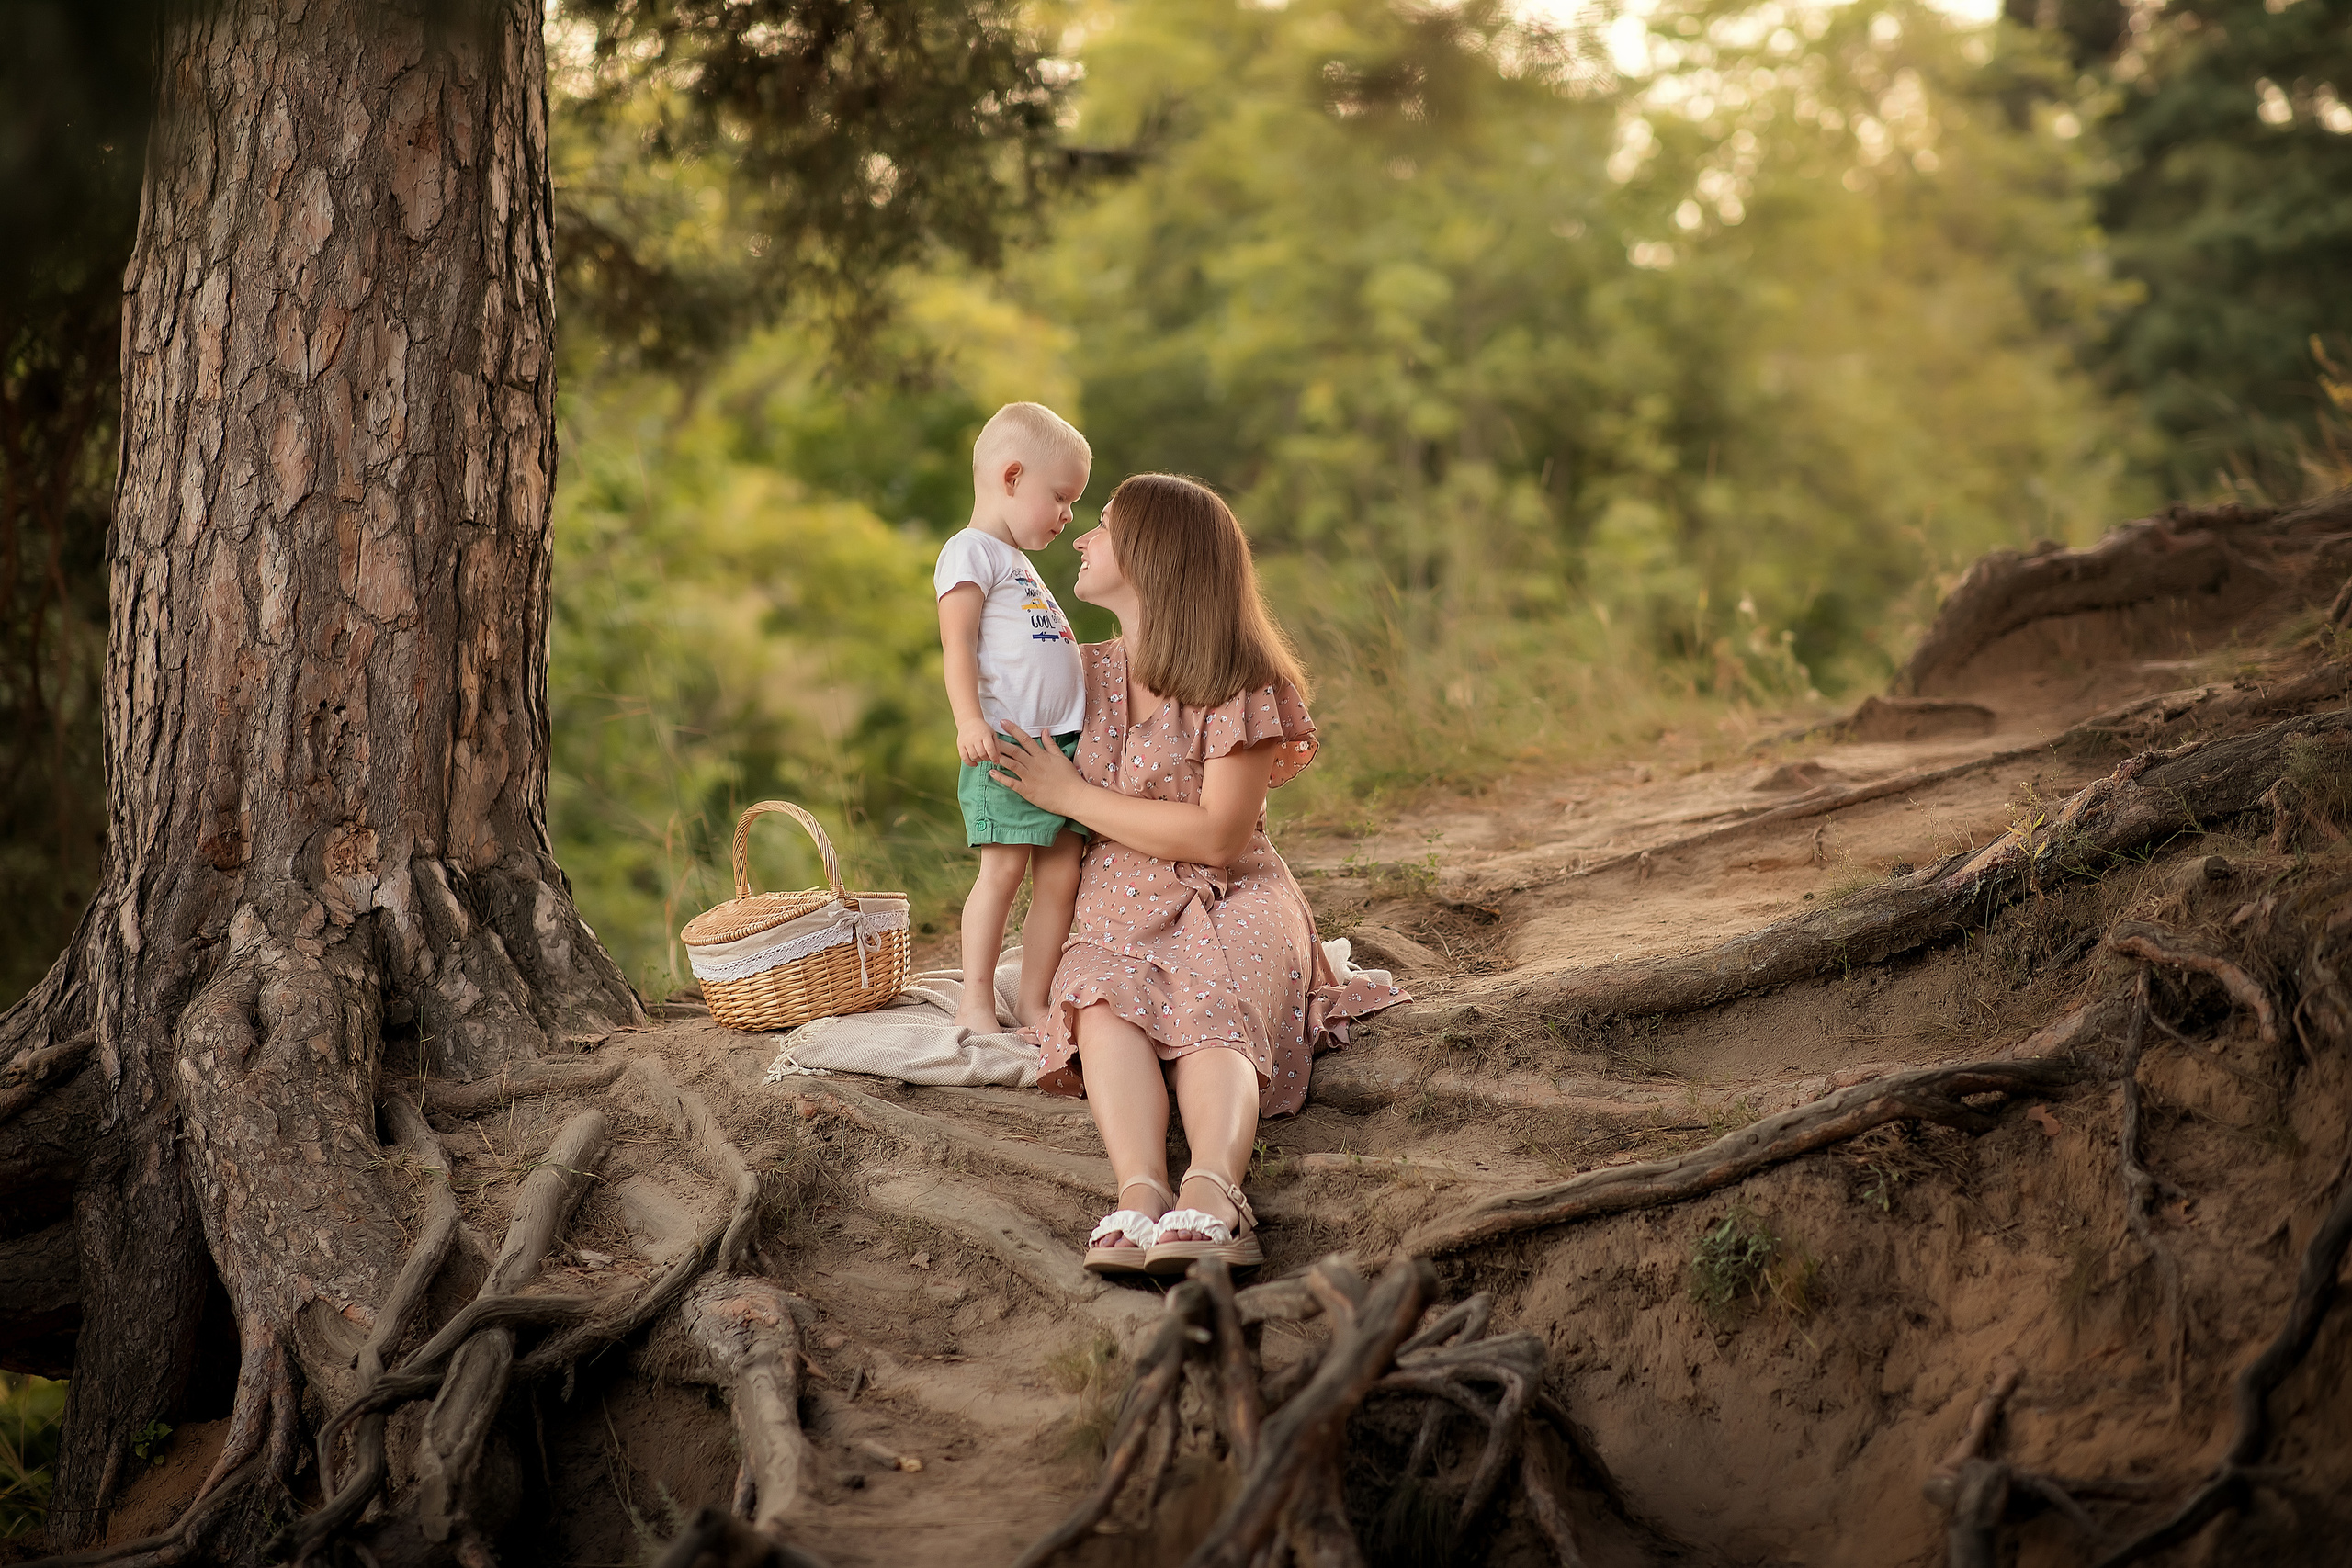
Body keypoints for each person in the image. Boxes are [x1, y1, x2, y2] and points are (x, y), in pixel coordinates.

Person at [988, 473, 1408, 1276]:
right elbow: (1056, 854)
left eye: (1104, 526)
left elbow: (1219, 835)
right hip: (1119, 900)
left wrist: (1072, 794)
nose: (1083, 538)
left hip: (1235, 889)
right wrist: (1036, 994)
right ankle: (1140, 1193)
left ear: (1154, 555)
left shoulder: (1239, 679)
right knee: (1102, 1001)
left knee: (1217, 992)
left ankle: (1214, 1190)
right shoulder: (1079, 676)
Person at [933, 402, 1093, 1033]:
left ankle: (1033, 999)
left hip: (1062, 750)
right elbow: (957, 643)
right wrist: (969, 720)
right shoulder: (969, 551)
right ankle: (975, 999)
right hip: (1006, 745)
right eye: (1060, 496)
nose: (1068, 514)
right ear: (1011, 476)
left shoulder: (1019, 563)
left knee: (1061, 878)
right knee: (1002, 871)